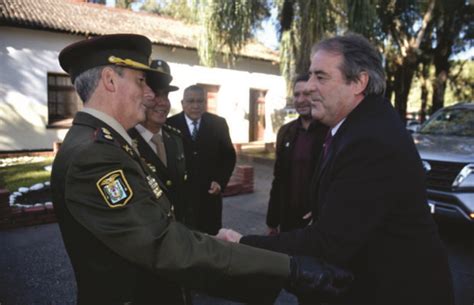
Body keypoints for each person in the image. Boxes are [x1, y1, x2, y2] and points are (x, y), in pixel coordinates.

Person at [51, 33, 353, 305]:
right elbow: (162, 245)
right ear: (110, 80)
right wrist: (288, 267)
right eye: (141, 81)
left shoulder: (106, 144)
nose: (148, 93)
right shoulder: (95, 155)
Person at [217, 33, 454, 305]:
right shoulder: (357, 126)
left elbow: (329, 244)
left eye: (321, 77)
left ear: (358, 82)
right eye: (309, 76)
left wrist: (242, 244)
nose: (309, 86)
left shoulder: (370, 140)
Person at [127, 59, 192, 305]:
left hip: (179, 245)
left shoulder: (175, 139)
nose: (163, 102)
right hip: (146, 257)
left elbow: (183, 194)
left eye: (166, 95)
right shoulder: (124, 142)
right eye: (155, 94)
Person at [167, 85, 236, 235]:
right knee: (183, 242)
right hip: (181, 199)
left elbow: (229, 156)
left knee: (211, 242)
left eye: (200, 101)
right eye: (191, 101)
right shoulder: (169, 125)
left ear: (205, 103)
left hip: (209, 199)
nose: (195, 106)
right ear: (182, 103)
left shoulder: (218, 124)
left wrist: (220, 180)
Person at [266, 74, 328, 235]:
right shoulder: (285, 132)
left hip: (317, 220)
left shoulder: (331, 131)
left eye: (306, 94)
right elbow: (278, 178)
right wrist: (272, 221)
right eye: (296, 94)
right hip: (288, 219)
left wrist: (321, 210)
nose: (300, 100)